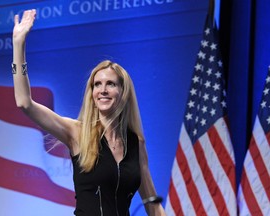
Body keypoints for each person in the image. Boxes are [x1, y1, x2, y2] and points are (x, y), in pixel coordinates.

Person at [12, 9, 166, 216]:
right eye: (97, 85)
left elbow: (152, 204)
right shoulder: (77, 132)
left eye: (110, 84)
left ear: (123, 92)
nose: (102, 90)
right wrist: (18, 44)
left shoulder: (136, 144)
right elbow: (24, 103)